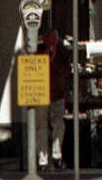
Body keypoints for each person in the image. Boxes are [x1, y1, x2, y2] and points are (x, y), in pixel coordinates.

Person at [35, 29, 71, 169]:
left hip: (57, 93)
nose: (50, 44)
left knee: (59, 124)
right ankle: (42, 159)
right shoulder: (38, 50)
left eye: (53, 41)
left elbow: (67, 72)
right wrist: (44, 58)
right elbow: (34, 68)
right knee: (41, 126)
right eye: (47, 41)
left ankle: (57, 155)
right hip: (41, 93)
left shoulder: (63, 51)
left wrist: (54, 60)